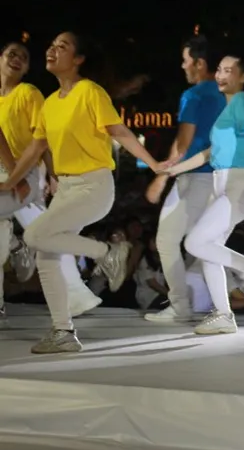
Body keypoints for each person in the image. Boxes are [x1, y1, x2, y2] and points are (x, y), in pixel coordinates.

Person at [0, 32, 168, 353]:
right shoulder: (50, 103)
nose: (52, 50)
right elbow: (35, 148)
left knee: (34, 235)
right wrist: (11, 182)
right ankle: (63, 332)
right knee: (46, 254)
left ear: (78, 60)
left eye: (62, 46)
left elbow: (119, 131)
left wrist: (154, 164)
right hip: (66, 189)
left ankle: (108, 252)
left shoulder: (90, 91)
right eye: (51, 45)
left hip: (94, 185)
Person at [163, 52, 244, 335]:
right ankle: (224, 315)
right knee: (209, 252)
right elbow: (208, 153)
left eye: (229, 71)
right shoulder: (225, 115)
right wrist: (173, 170)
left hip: (238, 185)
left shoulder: (241, 101)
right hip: (220, 184)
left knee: (194, 242)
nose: (221, 76)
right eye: (219, 70)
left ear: (243, 77)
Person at [0, 42, 102, 322]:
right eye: (11, 54)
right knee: (45, 235)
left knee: (46, 233)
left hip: (25, 173)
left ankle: (19, 248)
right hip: (7, 174)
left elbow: (43, 139)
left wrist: (53, 175)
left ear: (27, 68)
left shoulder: (28, 93)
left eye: (23, 57)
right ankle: (75, 295)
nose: (17, 59)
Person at [145, 36, 228, 323]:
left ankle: (181, 305)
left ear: (199, 63)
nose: (183, 66)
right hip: (221, 179)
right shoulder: (227, 94)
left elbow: (182, 144)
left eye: (185, 61)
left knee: (168, 240)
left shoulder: (193, 95)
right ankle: (218, 306)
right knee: (203, 244)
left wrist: (160, 179)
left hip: (194, 178)